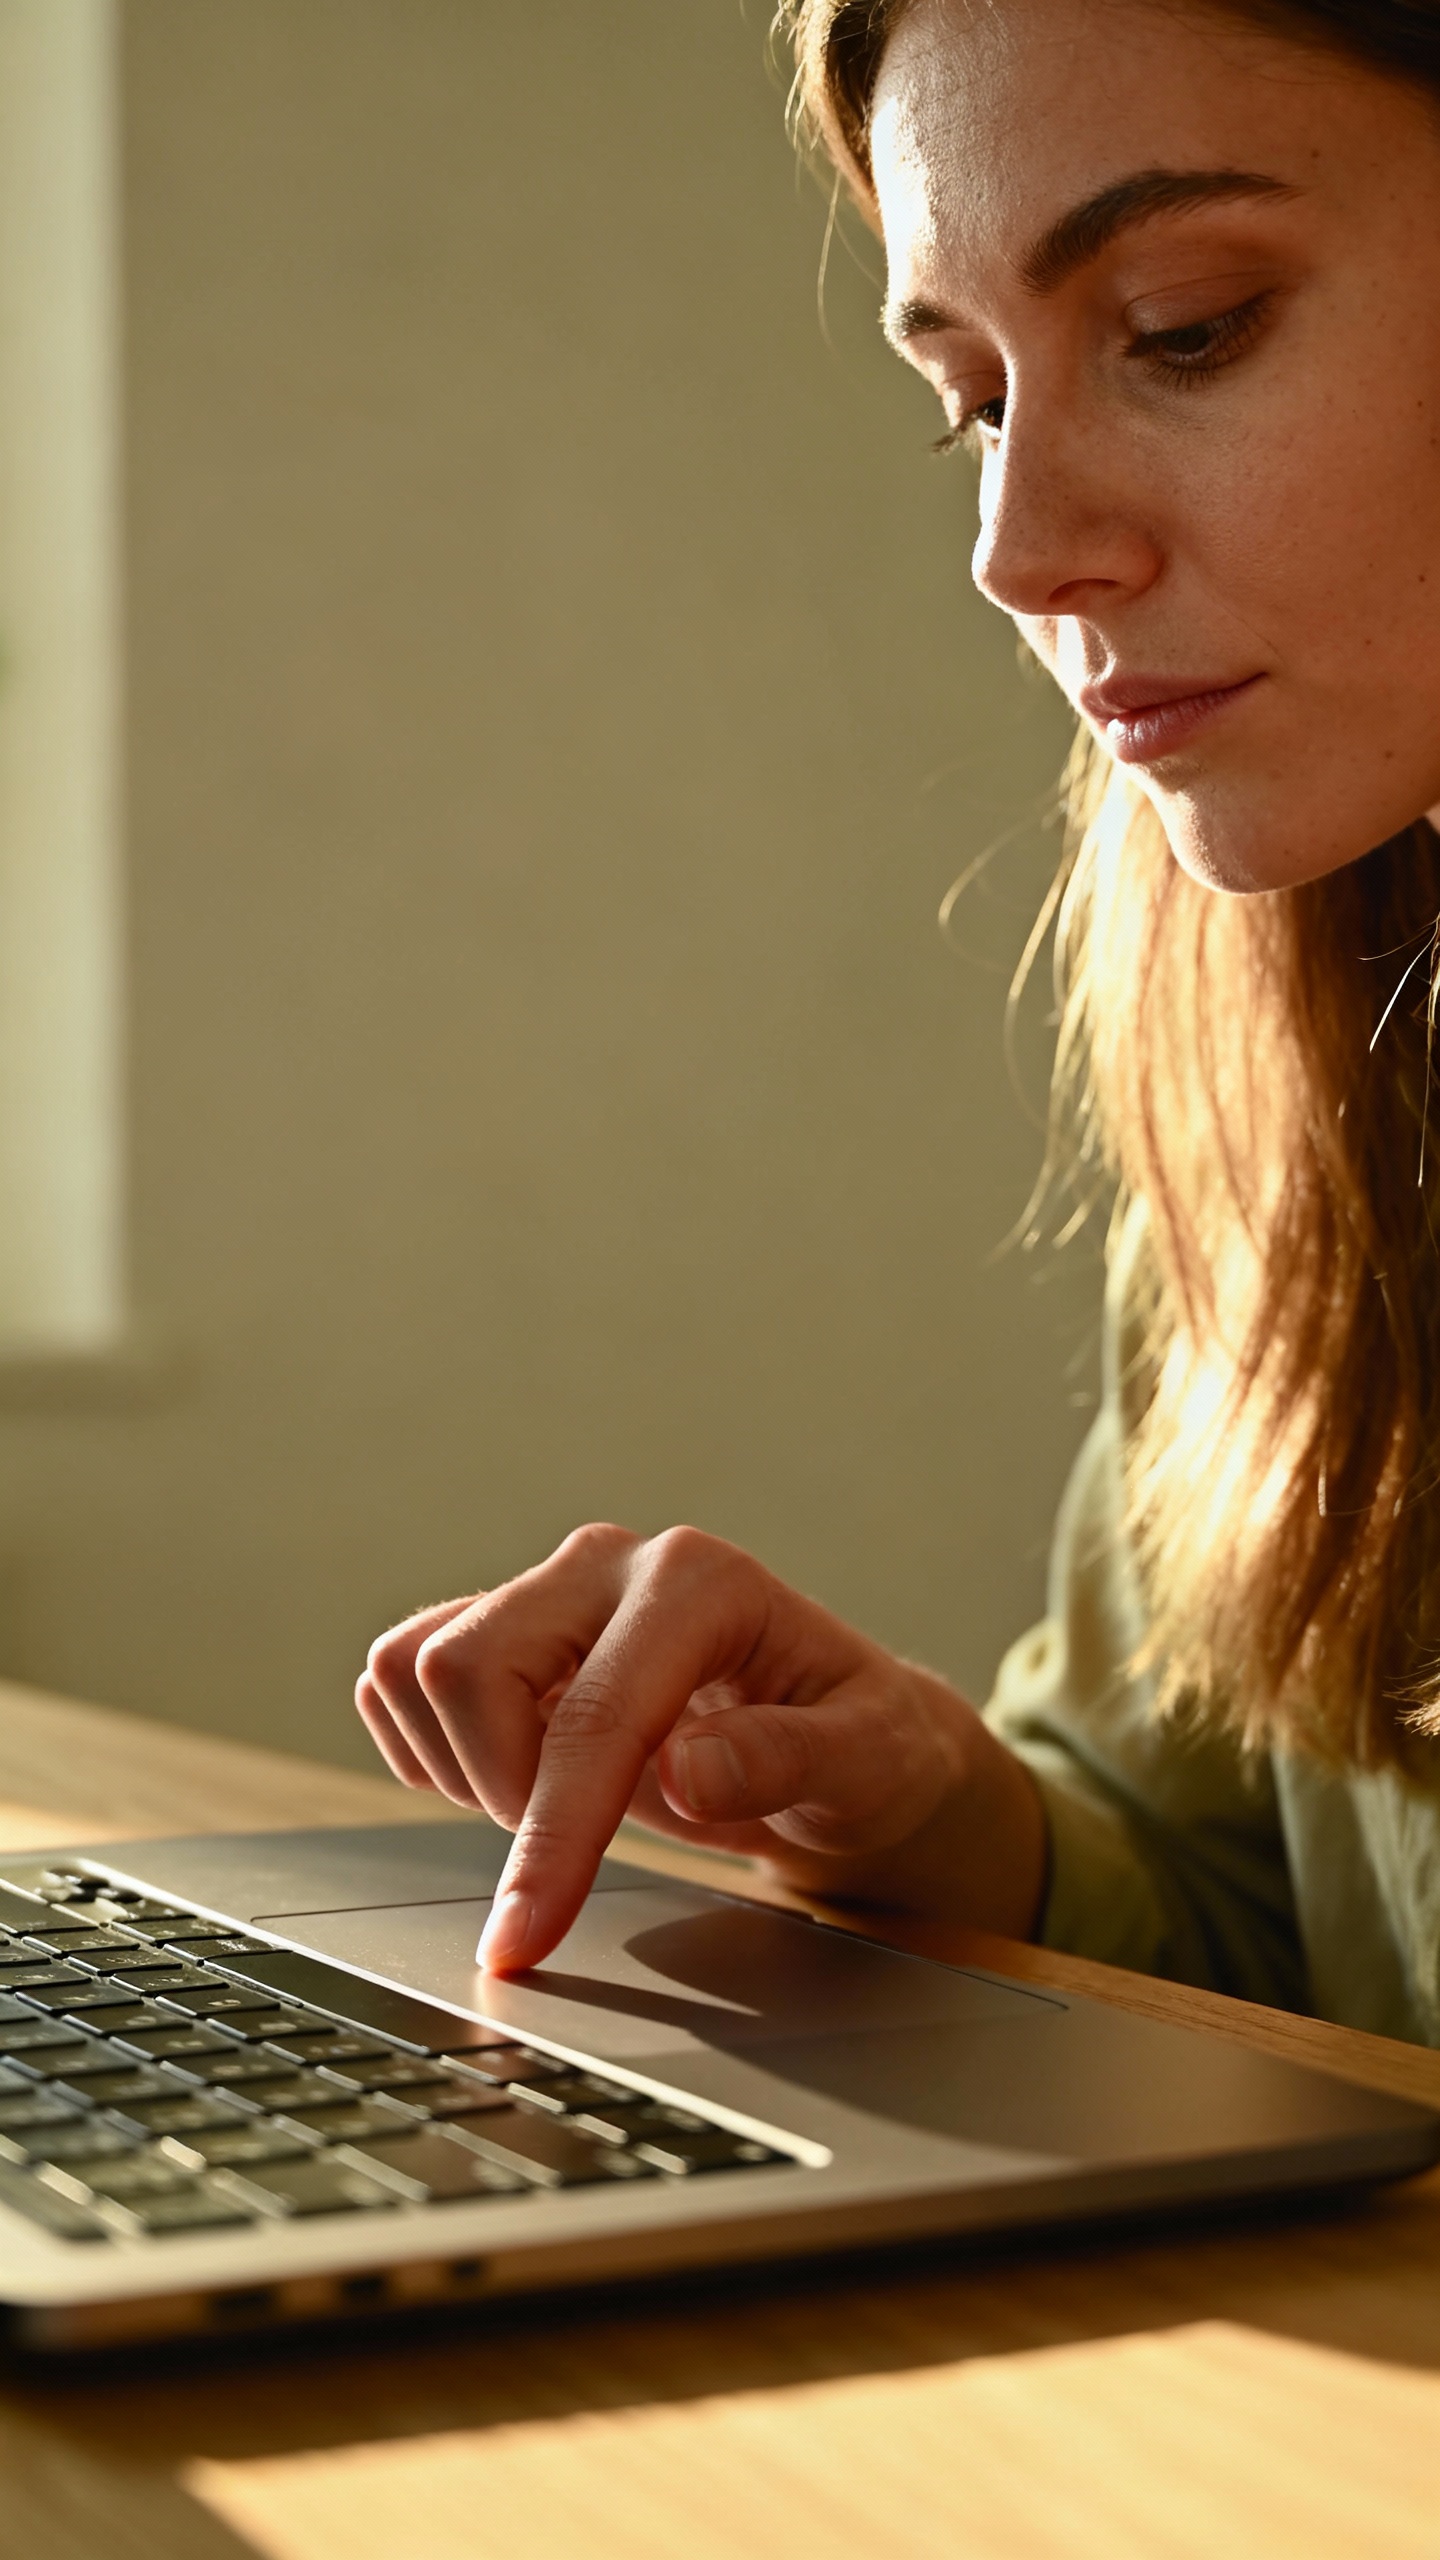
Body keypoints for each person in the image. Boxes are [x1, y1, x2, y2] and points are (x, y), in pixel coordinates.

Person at [355, 0, 1440, 2046]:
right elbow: (1254, 1922)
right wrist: (936, 1799)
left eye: (1187, 324)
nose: (1020, 551)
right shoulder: (1295, 1089)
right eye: (969, 398)